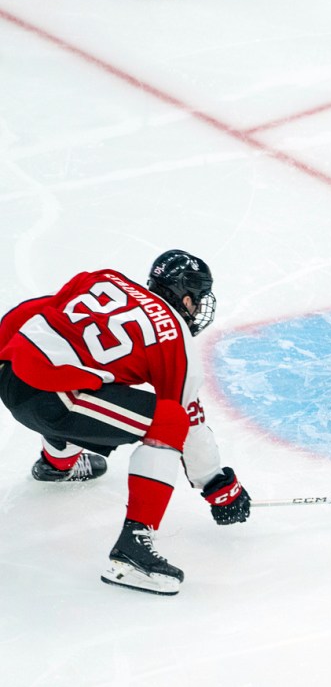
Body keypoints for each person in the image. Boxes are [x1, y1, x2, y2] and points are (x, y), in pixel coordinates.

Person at [0, 250, 250, 596]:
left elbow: (31, 311)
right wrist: (219, 488)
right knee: (168, 419)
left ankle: (58, 462)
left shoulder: (105, 278)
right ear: (187, 297)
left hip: (11, 377)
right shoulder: (173, 335)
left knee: (91, 378)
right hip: (51, 401)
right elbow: (185, 420)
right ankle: (134, 548)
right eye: (198, 300)